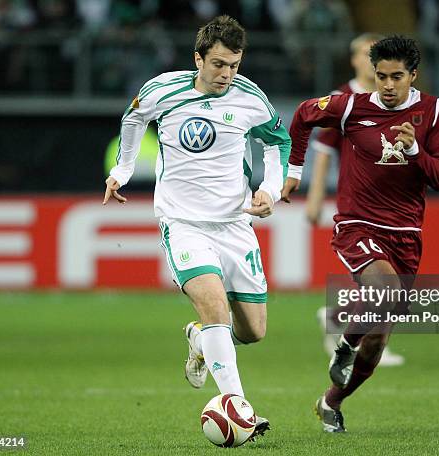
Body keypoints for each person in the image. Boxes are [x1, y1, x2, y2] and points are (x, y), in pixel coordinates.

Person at [103, 15, 291, 440]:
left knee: (254, 331)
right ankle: (240, 408)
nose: (227, 74)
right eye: (219, 64)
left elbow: (278, 141)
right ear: (198, 59)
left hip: (235, 224)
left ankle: (200, 339)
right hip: (183, 223)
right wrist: (123, 169)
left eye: (235, 66)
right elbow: (133, 121)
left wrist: (271, 190)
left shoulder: (249, 98)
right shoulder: (162, 90)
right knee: (213, 307)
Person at [282, 36, 439, 432]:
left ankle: (331, 401)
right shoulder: (350, 106)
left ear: (413, 75)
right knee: (385, 291)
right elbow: (303, 116)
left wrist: (414, 152)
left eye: (397, 77)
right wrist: (293, 173)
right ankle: (344, 344)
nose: (388, 86)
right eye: (381, 77)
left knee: (378, 338)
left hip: (406, 234)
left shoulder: (433, 111)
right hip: (357, 224)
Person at [306, 32, 405, 367]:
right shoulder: (342, 98)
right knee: (378, 277)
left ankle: (337, 318)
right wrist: (316, 195)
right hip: (356, 203)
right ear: (353, 60)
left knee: (389, 278)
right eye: (365, 53)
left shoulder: (392, 98)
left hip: (391, 204)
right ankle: (371, 339)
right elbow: (323, 148)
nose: (370, 59)